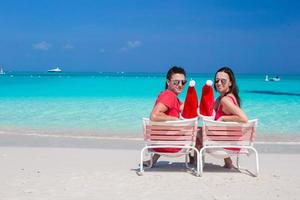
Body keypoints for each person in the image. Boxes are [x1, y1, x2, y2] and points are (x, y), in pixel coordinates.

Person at [144, 66, 187, 167]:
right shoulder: (169, 96)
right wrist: (176, 119)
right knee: (199, 132)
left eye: (183, 82)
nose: (180, 85)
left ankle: (153, 160)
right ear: (168, 82)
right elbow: (154, 115)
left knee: (169, 128)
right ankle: (195, 162)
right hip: (172, 146)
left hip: (158, 145)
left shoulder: (169, 96)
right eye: (176, 82)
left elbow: (183, 107)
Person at [213, 66, 248, 168]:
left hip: (227, 145)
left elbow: (244, 118)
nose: (219, 83)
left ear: (230, 83)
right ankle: (228, 162)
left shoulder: (225, 100)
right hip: (231, 142)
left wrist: (223, 118)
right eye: (217, 80)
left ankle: (194, 163)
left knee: (196, 133)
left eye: (223, 81)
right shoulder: (221, 99)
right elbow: (210, 111)